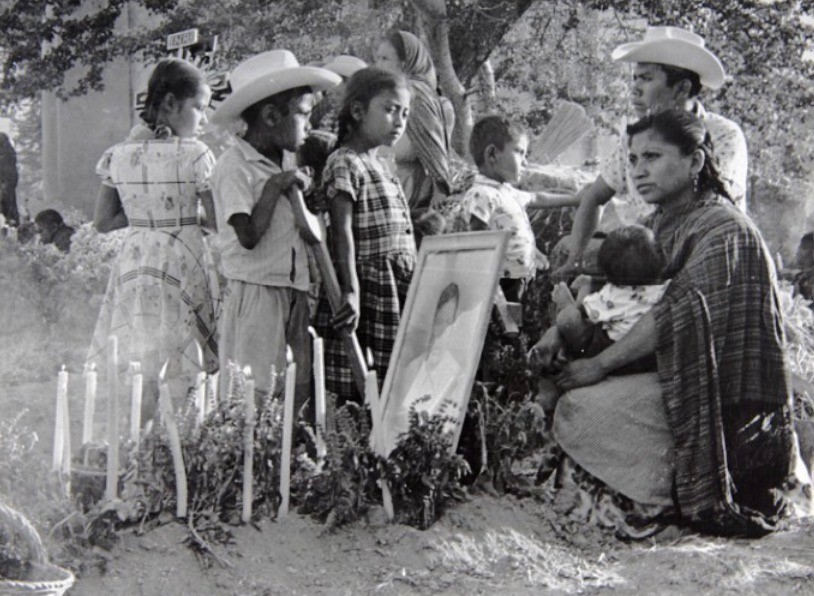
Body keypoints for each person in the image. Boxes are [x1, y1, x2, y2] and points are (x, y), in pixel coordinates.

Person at [530, 109, 806, 537]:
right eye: (634, 159)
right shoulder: (660, 220)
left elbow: (671, 315)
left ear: (695, 162)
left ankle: (659, 500)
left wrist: (598, 367)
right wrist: (555, 332)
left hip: (716, 399)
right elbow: (605, 287)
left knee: (581, 408)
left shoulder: (725, 229)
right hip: (668, 371)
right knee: (567, 393)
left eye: (653, 157)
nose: (638, 171)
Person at [88, 59, 220, 411]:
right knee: (183, 351)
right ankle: (179, 436)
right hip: (181, 260)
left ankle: (142, 433)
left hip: (136, 263)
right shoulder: (196, 155)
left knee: (142, 356)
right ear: (169, 104)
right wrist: (188, 218)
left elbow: (103, 221)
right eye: (199, 108)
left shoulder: (120, 155)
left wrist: (146, 218)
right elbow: (218, 219)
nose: (204, 119)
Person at [209, 50, 340, 402]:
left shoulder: (283, 162)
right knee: (253, 391)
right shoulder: (234, 166)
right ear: (270, 116)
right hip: (256, 293)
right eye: (302, 114)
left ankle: (289, 453)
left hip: (293, 288)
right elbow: (248, 236)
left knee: (295, 386)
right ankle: (247, 453)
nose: (309, 126)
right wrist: (273, 187)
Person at [561, 26, 748, 274]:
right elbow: (594, 197)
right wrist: (575, 259)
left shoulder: (723, 134)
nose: (635, 89)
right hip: (642, 263)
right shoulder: (637, 137)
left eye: (647, 79)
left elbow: (710, 205)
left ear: (681, 89)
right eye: (635, 78)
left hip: (703, 259)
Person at [317, 66, 417, 401]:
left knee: (397, 380)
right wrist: (351, 289)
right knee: (361, 383)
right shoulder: (345, 162)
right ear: (358, 111)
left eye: (404, 113)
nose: (399, 121)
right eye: (389, 110)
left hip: (395, 285)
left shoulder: (383, 165)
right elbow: (341, 232)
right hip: (368, 288)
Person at [464, 115, 577, 302]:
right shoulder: (481, 194)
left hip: (518, 277)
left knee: (515, 319)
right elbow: (477, 240)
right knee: (503, 322)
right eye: (519, 152)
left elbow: (537, 197)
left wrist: (575, 199)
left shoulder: (506, 191)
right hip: (500, 281)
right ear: (492, 154)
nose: (525, 162)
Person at [552, 224, 667, 375]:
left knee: (569, 318)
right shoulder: (666, 287)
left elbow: (584, 312)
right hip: (646, 358)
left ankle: (565, 305)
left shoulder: (614, 295)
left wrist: (575, 295)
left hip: (608, 350)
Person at [374, 30, 452, 213]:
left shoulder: (416, 95)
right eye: (378, 58)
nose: (378, 66)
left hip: (410, 190)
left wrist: (440, 189)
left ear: (404, 63)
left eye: (385, 59)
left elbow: (433, 145)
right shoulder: (390, 94)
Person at [383, 282, 467, 449]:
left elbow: (447, 434)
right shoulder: (412, 367)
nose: (440, 332)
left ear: (456, 325)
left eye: (448, 323)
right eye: (438, 322)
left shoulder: (457, 376)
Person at [0, 133, 19, 226]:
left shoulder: (7, 157)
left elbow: (11, 177)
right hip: (6, 190)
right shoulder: (9, 156)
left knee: (9, 213)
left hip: (5, 191)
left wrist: (4, 186)